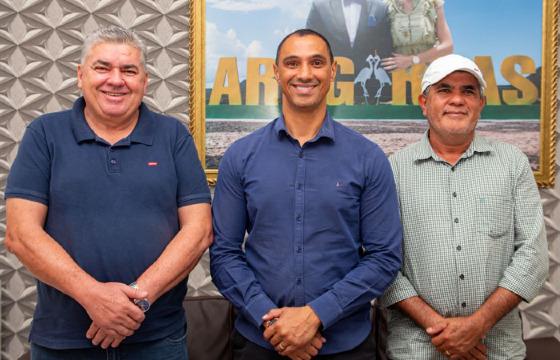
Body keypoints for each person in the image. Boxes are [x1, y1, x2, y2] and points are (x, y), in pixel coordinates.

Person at [5, 26, 213, 359]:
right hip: (63, 341)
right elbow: (20, 233)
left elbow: (199, 231)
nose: (115, 80)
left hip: (157, 340)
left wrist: (133, 302)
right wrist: (93, 297)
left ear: (144, 81)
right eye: (102, 68)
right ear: (80, 75)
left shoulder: (173, 136)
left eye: (129, 70)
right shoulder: (44, 134)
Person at [210, 28, 402, 359]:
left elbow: (385, 256)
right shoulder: (240, 156)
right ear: (276, 72)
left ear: (332, 71)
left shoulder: (368, 158)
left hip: (345, 347)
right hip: (260, 343)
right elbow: (224, 253)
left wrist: (315, 316)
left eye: (316, 62)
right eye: (292, 63)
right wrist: (271, 322)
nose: (304, 73)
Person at [381, 54, 548, 359]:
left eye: (468, 91)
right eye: (444, 90)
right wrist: (443, 331)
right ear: (423, 102)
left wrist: (477, 325)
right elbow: (382, 262)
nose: (457, 100)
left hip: (496, 348)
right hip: (418, 347)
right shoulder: (393, 169)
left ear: (480, 103)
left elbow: (533, 256)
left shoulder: (512, 163)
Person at [307, 0, 393, 103]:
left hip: (369, 94)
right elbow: (310, 49)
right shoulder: (320, 7)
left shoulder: (381, 9)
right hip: (330, 90)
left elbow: (387, 52)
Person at [381, 0, 453, 71]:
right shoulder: (385, 5)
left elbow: (448, 46)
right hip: (398, 75)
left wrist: (412, 60)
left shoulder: (434, 3)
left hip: (430, 73)